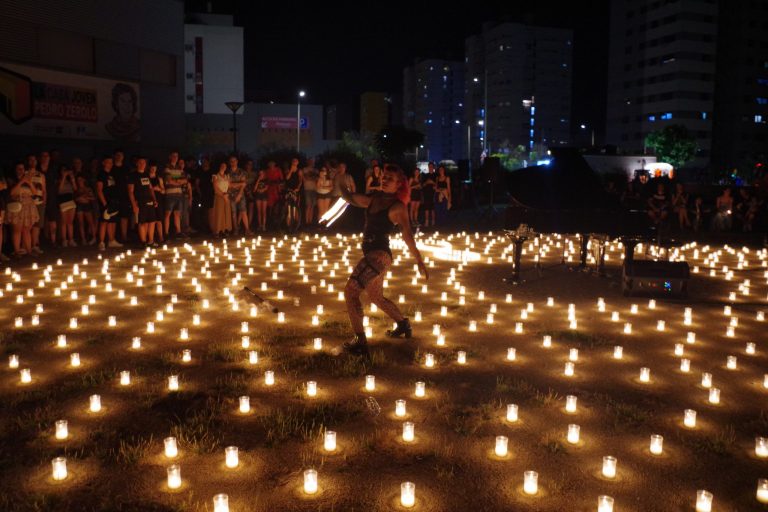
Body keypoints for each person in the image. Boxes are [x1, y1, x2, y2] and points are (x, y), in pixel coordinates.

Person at [340, 164, 428, 356]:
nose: (384, 179)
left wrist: (419, 260)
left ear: (398, 185)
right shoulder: (374, 199)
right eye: (384, 176)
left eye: (390, 178)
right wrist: (339, 179)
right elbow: (349, 198)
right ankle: (403, 324)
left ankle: (360, 342)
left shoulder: (397, 207)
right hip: (372, 254)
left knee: (351, 291)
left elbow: (407, 235)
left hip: (379, 256)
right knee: (376, 297)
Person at [7, 162, 40, 257]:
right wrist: (21, 181)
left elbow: (34, 193)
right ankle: (17, 251)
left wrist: (28, 182)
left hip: (28, 206)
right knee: (17, 230)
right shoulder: (11, 180)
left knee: (27, 230)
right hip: (17, 207)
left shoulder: (29, 180)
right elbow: (12, 193)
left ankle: (29, 251)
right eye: (18, 168)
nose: (21, 170)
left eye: (22, 168)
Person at [127, 157, 158, 247]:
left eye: (144, 163)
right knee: (142, 222)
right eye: (140, 162)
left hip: (149, 201)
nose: (142, 164)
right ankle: (143, 242)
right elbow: (130, 191)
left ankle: (151, 241)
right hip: (140, 201)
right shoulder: (133, 175)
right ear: (137, 163)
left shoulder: (146, 174)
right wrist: (134, 205)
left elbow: (150, 188)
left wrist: (154, 199)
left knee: (152, 221)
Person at [96, 156, 122, 250]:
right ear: (104, 163)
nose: (110, 164)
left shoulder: (111, 174)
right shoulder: (101, 174)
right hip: (105, 201)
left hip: (113, 201)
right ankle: (101, 242)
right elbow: (99, 190)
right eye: (108, 162)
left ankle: (112, 240)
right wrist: (104, 203)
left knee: (112, 221)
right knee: (104, 221)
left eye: (111, 162)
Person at [163, 151, 186, 238]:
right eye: (173, 156)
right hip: (170, 194)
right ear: (170, 157)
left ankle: (178, 232)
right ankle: (166, 233)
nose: (175, 157)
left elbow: (185, 180)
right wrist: (178, 182)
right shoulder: (167, 167)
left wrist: (176, 181)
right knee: (168, 213)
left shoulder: (179, 168)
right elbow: (169, 180)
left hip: (179, 194)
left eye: (176, 156)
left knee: (177, 213)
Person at [26, 153, 46, 254]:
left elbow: (44, 190)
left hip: (39, 202)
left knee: (37, 225)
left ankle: (35, 245)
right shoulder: (25, 173)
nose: (33, 162)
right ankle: (26, 246)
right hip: (28, 203)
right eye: (30, 160)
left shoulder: (41, 175)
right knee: (27, 225)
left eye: (34, 160)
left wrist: (44, 202)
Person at [74, 166, 97, 246]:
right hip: (79, 206)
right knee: (81, 223)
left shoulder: (88, 188)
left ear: (84, 180)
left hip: (87, 206)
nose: (79, 181)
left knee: (90, 222)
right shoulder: (76, 189)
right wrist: (79, 198)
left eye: (81, 179)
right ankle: (83, 239)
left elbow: (93, 197)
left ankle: (94, 238)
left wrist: (86, 197)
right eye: (78, 180)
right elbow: (75, 198)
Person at [57, 164, 78, 247]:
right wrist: (64, 177)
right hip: (63, 202)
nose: (65, 172)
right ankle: (64, 240)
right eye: (63, 170)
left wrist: (72, 178)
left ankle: (71, 240)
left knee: (70, 222)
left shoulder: (70, 181)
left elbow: (75, 189)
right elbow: (59, 190)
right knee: (64, 222)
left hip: (71, 201)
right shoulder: (59, 180)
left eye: (66, 170)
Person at [227, 156, 249, 235]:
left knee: (243, 211)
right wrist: (239, 184)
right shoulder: (228, 172)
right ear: (230, 162)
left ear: (237, 161)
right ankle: (236, 229)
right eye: (231, 161)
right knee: (233, 213)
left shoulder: (241, 171)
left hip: (240, 194)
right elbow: (228, 185)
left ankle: (247, 229)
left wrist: (239, 194)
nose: (233, 162)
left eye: (234, 161)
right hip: (231, 195)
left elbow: (244, 184)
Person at [211, 162, 233, 236]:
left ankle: (225, 230)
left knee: (226, 213)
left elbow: (229, 186)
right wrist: (223, 195)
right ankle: (217, 231)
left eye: (225, 166)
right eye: (222, 165)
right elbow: (215, 187)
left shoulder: (227, 176)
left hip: (226, 196)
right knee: (219, 213)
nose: (224, 167)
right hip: (219, 196)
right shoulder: (215, 176)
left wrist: (227, 194)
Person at [148, 162, 165, 243]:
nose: (153, 169)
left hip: (159, 200)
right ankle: (151, 239)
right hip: (149, 199)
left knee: (159, 220)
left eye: (154, 167)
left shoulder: (159, 179)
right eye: (152, 167)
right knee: (151, 220)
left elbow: (163, 191)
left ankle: (161, 237)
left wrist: (159, 189)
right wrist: (152, 189)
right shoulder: (146, 177)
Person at [284, 157, 303, 231]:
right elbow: (287, 178)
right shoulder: (288, 169)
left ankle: (295, 224)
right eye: (293, 161)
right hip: (289, 190)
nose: (294, 162)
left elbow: (301, 180)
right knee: (288, 207)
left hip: (296, 191)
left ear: (297, 163)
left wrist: (298, 188)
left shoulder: (299, 171)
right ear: (292, 162)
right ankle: (288, 224)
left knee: (296, 207)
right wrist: (291, 171)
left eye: (296, 161)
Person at [265, 160, 283, 229]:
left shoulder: (278, 170)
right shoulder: (267, 171)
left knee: (277, 205)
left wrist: (278, 184)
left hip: (277, 189)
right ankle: (270, 221)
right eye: (270, 163)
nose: (271, 164)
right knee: (270, 206)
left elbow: (281, 179)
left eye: (272, 163)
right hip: (270, 189)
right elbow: (266, 180)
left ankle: (277, 222)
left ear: (275, 164)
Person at [303, 158, 318, 226]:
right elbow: (306, 177)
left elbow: (317, 178)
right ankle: (306, 221)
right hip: (307, 189)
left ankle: (310, 222)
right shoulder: (305, 169)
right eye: (310, 161)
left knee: (312, 206)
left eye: (313, 162)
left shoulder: (316, 170)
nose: (312, 163)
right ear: (308, 162)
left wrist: (311, 177)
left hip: (314, 189)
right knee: (308, 205)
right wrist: (312, 177)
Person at [421, 163, 436, 228]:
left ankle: (433, 222)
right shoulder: (425, 175)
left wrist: (432, 182)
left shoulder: (436, 175)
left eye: (431, 166)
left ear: (433, 167)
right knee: (426, 208)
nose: (430, 167)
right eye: (429, 166)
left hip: (433, 193)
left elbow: (438, 184)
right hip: (426, 193)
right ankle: (426, 222)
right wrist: (427, 182)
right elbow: (422, 185)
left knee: (433, 208)